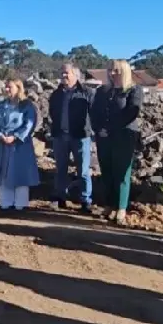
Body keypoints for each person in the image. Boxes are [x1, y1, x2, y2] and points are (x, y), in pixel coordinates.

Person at [91, 59, 143, 224]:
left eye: (116, 70)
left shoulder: (134, 90)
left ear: (125, 71)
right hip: (104, 137)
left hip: (124, 136)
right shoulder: (102, 91)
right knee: (107, 171)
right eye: (110, 70)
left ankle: (121, 207)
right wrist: (98, 129)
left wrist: (112, 128)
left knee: (121, 173)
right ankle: (109, 204)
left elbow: (131, 112)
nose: (112, 73)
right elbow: (94, 112)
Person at [48, 63, 95, 212]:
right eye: (62, 73)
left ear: (76, 75)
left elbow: (94, 113)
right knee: (60, 168)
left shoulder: (87, 92)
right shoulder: (56, 94)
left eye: (66, 73)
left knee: (83, 170)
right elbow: (52, 112)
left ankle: (85, 200)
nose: (63, 76)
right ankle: (60, 197)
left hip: (80, 137)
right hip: (60, 136)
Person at [0, 78, 40, 210]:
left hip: (20, 146)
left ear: (18, 88)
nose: (6, 89)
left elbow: (29, 124)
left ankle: (21, 204)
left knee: (20, 172)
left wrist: (15, 136)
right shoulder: (0, 105)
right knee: (3, 172)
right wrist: (0, 135)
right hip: (2, 144)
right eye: (6, 87)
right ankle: (5, 203)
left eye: (9, 87)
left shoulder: (27, 106)